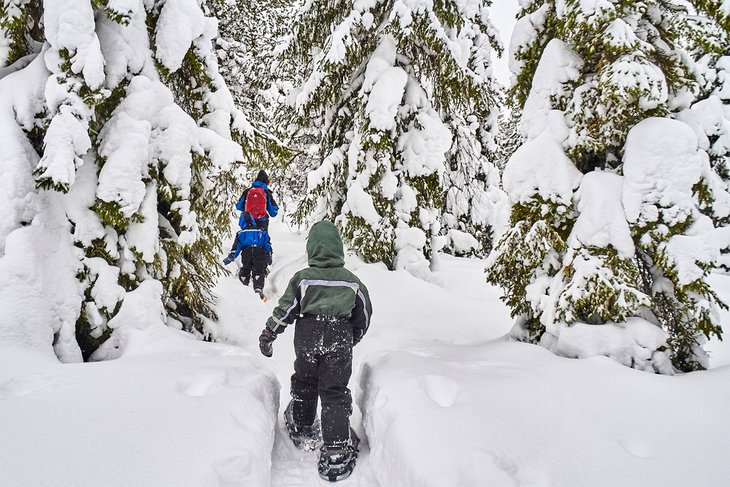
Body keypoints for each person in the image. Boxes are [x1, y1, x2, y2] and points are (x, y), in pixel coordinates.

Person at [258, 221, 372, 482]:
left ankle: (302, 424)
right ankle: (336, 450)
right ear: (338, 248)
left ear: (312, 249)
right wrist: (352, 336)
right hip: (339, 335)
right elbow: (363, 315)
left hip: (307, 334)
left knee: (305, 380)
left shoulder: (302, 279)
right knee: (334, 391)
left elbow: (285, 310)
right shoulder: (352, 282)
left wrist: (269, 333)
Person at [223, 212, 272, 300]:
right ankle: (258, 288)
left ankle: (243, 285)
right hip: (260, 252)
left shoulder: (241, 233)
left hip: (247, 253)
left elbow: (237, 247)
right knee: (259, 270)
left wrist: (231, 257)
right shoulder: (261, 231)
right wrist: (269, 255)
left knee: (245, 268)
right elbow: (267, 244)